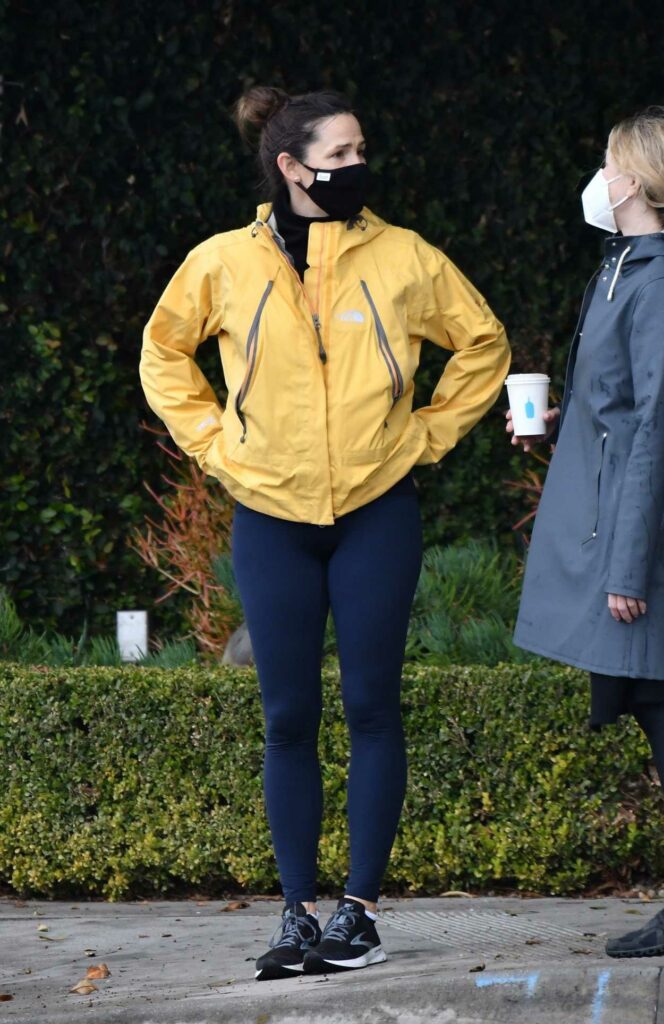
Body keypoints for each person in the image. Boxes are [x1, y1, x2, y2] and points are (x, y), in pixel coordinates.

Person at [140, 86, 510, 981]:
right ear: (291, 167)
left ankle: (361, 912)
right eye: (339, 156)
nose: (356, 168)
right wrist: (218, 447)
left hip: (377, 512)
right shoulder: (223, 261)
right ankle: (297, 915)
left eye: (360, 152)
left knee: (373, 707)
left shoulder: (406, 257)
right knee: (287, 716)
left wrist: (423, 434)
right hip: (270, 513)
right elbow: (162, 353)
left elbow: (484, 343)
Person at [508, 106, 664, 959]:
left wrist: (630, 567)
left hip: (639, 548)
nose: (597, 180)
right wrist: (563, 423)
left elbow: (656, 433)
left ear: (633, 182)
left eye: (608, 165)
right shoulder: (621, 268)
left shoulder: (654, 280)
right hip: (618, 532)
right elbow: (621, 410)